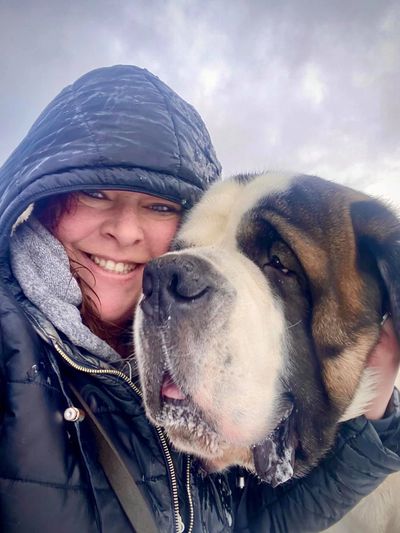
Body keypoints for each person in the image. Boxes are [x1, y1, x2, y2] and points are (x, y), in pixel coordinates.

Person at [0, 65, 399, 533]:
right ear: (39, 197)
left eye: (160, 205)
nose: (126, 231)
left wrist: (372, 413)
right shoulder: (12, 344)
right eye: (93, 192)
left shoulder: (142, 350)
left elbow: (238, 523)